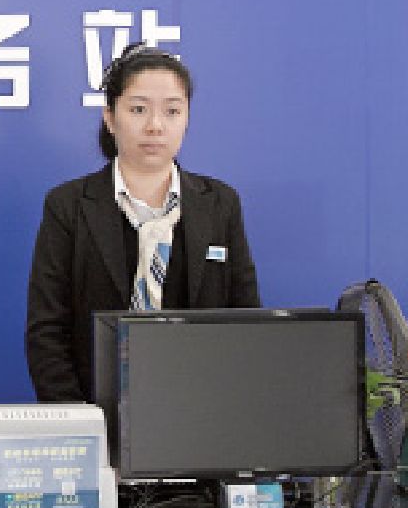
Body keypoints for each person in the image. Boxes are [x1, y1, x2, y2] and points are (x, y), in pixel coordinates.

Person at [24, 45, 259, 404]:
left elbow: (246, 322)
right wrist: (81, 420)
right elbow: (47, 331)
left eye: (172, 111)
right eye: (138, 109)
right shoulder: (68, 205)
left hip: (203, 409)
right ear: (110, 117)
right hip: (96, 409)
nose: (155, 126)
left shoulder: (220, 204)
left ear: (187, 118)